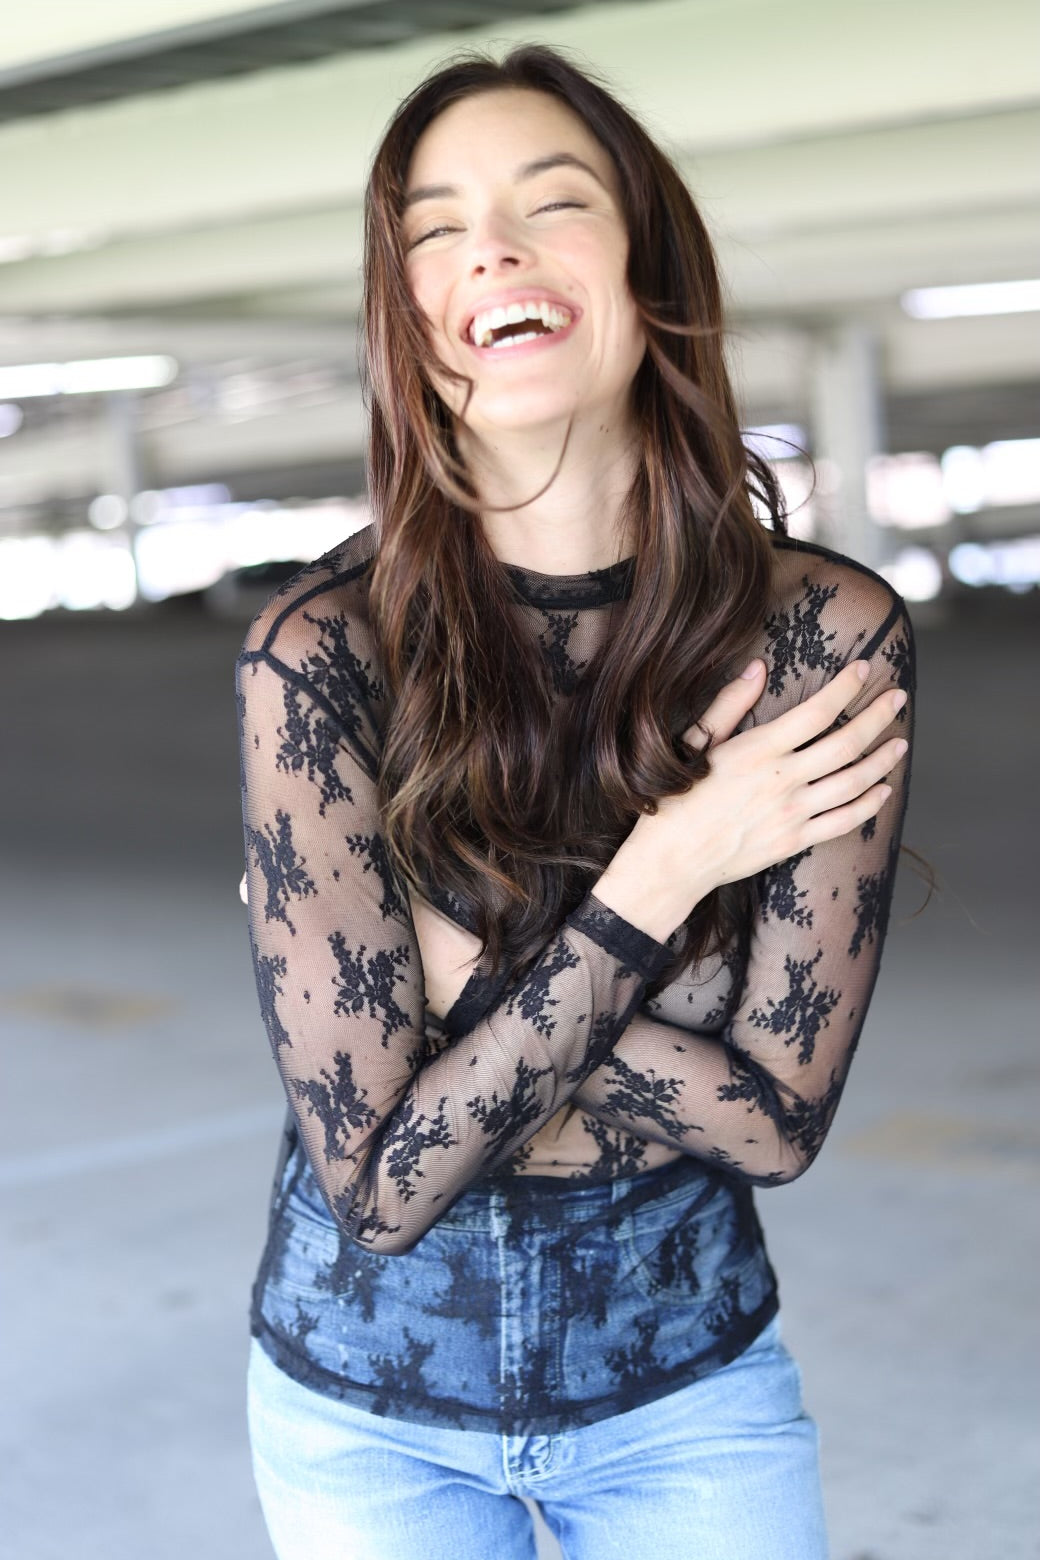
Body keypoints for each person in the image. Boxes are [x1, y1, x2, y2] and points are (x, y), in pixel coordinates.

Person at [236, 44, 915, 1560]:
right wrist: (667, 873)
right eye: (437, 228)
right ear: (406, 313)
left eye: (553, 202)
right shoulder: (321, 657)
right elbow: (382, 1185)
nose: (494, 247)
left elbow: (777, 1122)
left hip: (688, 1394)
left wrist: (471, 974)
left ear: (645, 264)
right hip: (365, 1410)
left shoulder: (822, 641)